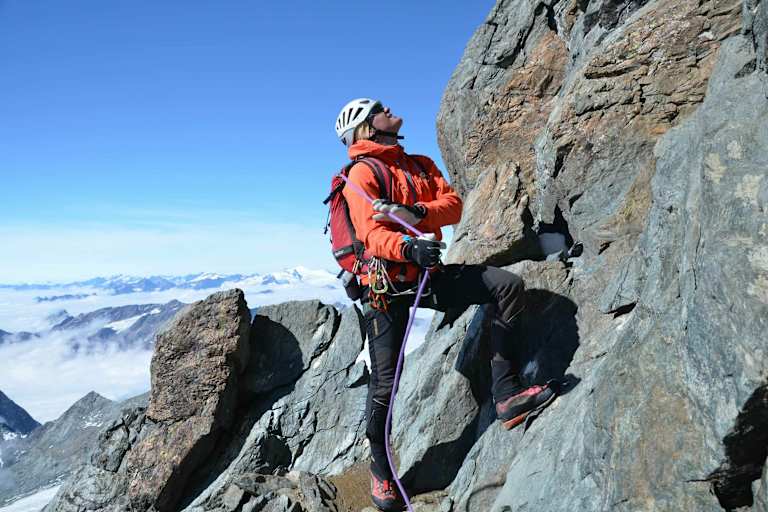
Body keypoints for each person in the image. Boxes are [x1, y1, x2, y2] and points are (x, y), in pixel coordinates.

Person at [334, 98, 555, 512]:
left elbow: (452, 205)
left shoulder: (418, 163)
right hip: (383, 290)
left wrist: (415, 212)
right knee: (386, 384)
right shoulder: (362, 174)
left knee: (506, 286)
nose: (390, 110)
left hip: (424, 277)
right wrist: (408, 245)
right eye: (380, 109)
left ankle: (505, 394)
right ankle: (381, 471)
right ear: (368, 128)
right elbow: (370, 235)